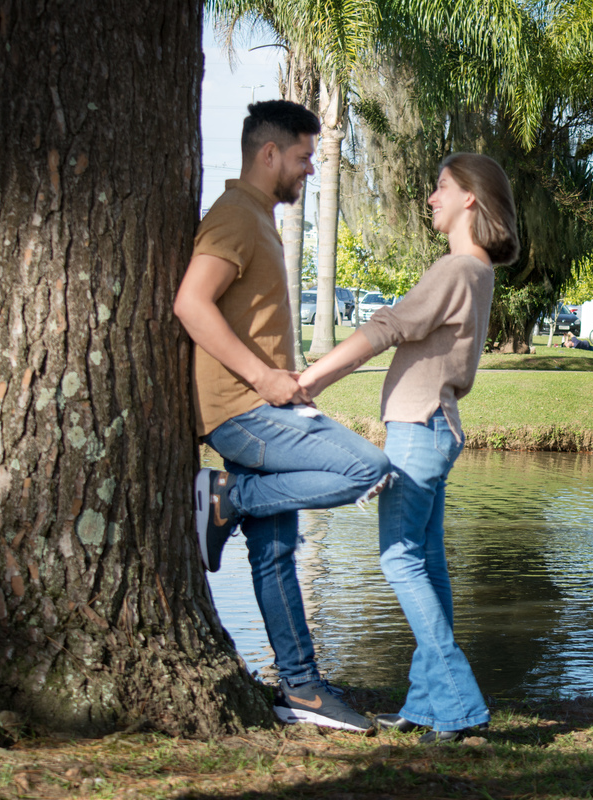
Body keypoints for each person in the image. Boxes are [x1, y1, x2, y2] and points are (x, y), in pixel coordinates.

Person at [173, 100, 389, 733]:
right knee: (365, 467)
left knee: (275, 556)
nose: (311, 168)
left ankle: (300, 688)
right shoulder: (236, 216)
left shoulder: (257, 217)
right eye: (303, 156)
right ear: (269, 154)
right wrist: (266, 379)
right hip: (242, 412)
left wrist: (286, 382)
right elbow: (191, 303)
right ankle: (231, 495)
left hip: (262, 407)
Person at [298, 153, 518, 743]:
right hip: (435, 427)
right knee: (427, 563)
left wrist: (313, 379)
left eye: (441, 187)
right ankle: (427, 702)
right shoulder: (476, 271)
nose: (431, 197)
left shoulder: (454, 270)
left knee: (399, 559)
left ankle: (457, 704)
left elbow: (388, 328)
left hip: (419, 429)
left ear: (470, 197)